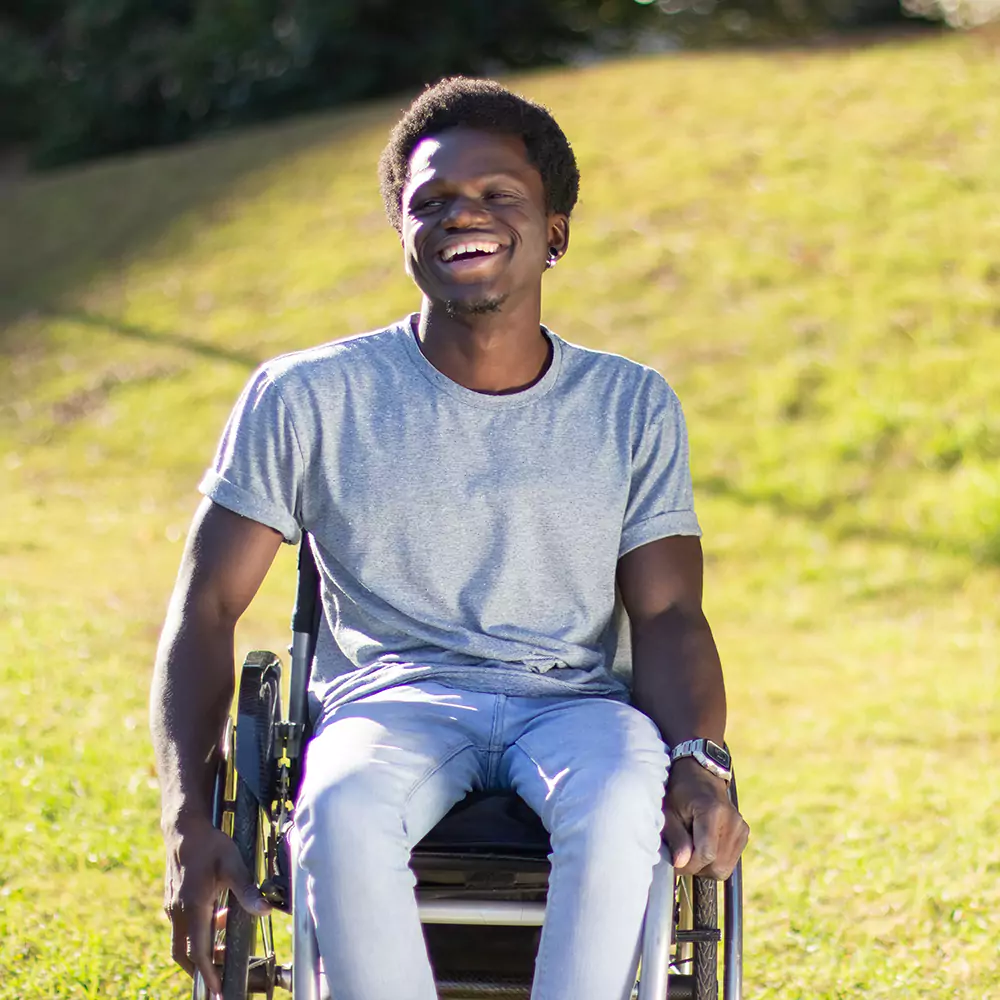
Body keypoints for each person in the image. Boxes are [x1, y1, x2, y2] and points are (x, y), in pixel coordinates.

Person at [150, 77, 749, 1000]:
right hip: (389, 701)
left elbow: (668, 614)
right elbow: (207, 606)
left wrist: (698, 760)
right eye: (429, 201)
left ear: (554, 230)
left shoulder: (631, 405)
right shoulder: (307, 397)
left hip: (577, 705)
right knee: (340, 804)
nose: (462, 215)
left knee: (627, 791)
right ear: (402, 230)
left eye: (498, 196)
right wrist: (191, 822)